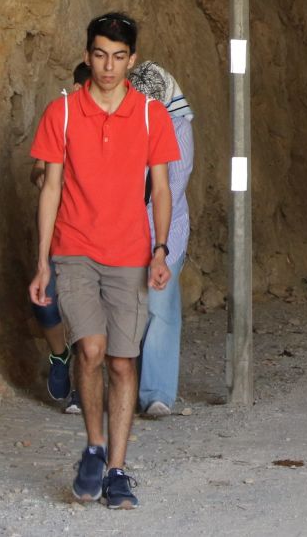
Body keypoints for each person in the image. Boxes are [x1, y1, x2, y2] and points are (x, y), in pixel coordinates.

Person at [28, 12, 179, 509]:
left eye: (118, 57)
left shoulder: (152, 115)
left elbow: (160, 188)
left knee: (121, 361)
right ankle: (93, 445)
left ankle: (116, 469)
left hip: (130, 253)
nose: (108, 66)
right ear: (88, 55)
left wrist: (160, 250)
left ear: (131, 60)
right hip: (74, 250)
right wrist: (42, 262)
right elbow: (50, 188)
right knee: (90, 350)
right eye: (99, 55)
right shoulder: (64, 112)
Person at [128, 59, 194, 419]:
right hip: (121, 230)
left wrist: (159, 246)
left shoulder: (178, 128)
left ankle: (156, 394)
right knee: (128, 308)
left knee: (160, 308)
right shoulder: (121, 123)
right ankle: (127, 388)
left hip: (165, 229)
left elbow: (170, 186)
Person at [28, 63, 91, 414]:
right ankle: (59, 354)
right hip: (60, 233)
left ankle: (82, 392)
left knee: (87, 314)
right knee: (45, 303)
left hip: (96, 237)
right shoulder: (62, 118)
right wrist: (43, 175)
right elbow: (38, 168)